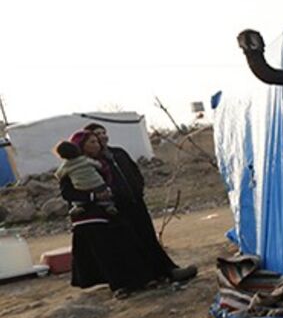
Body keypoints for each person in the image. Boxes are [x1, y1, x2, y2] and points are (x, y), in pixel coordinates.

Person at [83, 122, 197, 282]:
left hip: (136, 202)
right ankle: (145, 278)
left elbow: (134, 171)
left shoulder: (118, 153)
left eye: (104, 132)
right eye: (97, 134)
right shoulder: (91, 163)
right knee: (130, 243)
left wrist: (138, 189)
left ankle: (168, 271)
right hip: (116, 208)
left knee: (148, 238)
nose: (102, 136)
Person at [59, 131, 164, 298]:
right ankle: (119, 286)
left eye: (97, 142)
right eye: (91, 142)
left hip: (112, 212)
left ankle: (142, 279)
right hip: (90, 217)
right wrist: (92, 197)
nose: (97, 145)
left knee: (127, 245)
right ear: (80, 146)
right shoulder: (70, 168)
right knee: (106, 253)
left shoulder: (101, 163)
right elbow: (68, 193)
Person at [53, 140, 117, 217]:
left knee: (79, 200)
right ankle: (108, 206)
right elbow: (98, 165)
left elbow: (58, 175)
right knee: (105, 196)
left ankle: (78, 207)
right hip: (98, 184)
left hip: (82, 187)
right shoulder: (85, 159)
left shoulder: (66, 166)